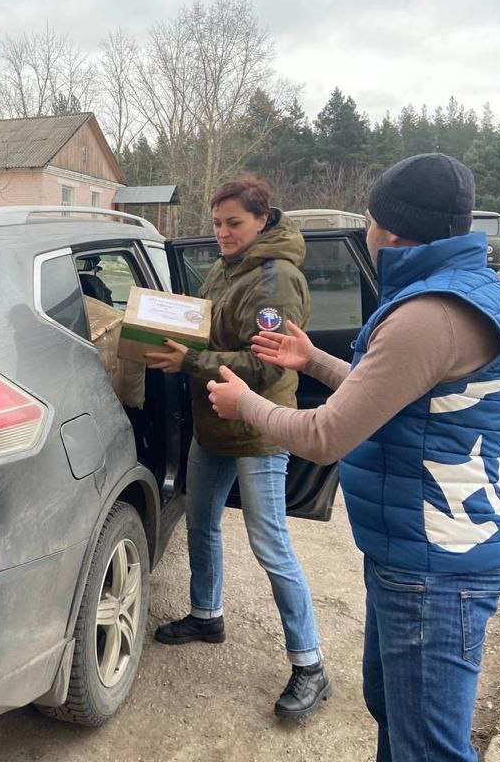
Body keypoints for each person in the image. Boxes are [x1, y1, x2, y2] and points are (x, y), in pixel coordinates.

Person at [208, 154, 500, 761]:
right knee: (396, 719)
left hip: (435, 570)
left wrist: (245, 402)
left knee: (426, 749)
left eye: (369, 219)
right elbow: (393, 393)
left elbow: (327, 436)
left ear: (390, 229)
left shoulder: (429, 315)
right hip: (416, 552)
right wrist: (313, 361)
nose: (366, 231)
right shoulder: (460, 294)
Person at [146, 175, 331, 721]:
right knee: (200, 522)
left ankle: (310, 665)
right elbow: (210, 327)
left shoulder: (276, 279)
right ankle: (207, 614)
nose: (222, 233)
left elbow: (267, 364)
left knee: (270, 544)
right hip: (214, 425)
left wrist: (189, 361)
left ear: (262, 220)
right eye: (217, 223)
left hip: (257, 430)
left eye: (234, 223)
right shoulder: (229, 268)